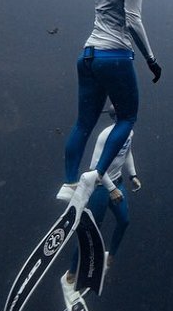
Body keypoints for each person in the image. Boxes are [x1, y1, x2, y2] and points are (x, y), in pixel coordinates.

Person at [59, 0, 161, 200]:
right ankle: (96, 174)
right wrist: (151, 59)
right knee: (127, 118)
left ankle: (69, 182)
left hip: (87, 56)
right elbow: (133, 21)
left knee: (83, 123)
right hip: (114, 57)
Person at [61, 113, 142, 292]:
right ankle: (71, 273)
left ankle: (110, 256)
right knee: (91, 231)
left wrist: (133, 175)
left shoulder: (129, 132)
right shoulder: (105, 136)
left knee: (124, 221)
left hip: (118, 183)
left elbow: (127, 152)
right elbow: (97, 168)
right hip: (101, 187)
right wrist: (111, 189)